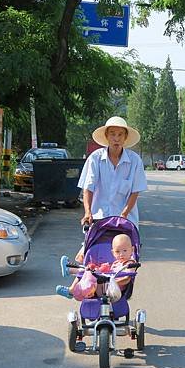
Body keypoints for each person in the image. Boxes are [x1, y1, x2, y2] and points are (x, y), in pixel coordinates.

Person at [74, 116, 147, 263]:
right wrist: (88, 212)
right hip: (99, 219)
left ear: (125, 138)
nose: (116, 138)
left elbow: (135, 191)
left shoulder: (134, 161)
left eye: (120, 135)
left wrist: (124, 214)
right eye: (112, 134)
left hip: (125, 221)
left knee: (125, 262)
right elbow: (88, 187)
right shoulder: (95, 158)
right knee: (90, 258)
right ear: (107, 136)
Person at [56, 233, 136, 299]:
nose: (121, 254)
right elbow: (109, 272)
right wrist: (102, 268)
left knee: (90, 275)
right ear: (113, 253)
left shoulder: (130, 263)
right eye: (117, 251)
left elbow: (126, 279)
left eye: (125, 250)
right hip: (105, 286)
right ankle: (71, 274)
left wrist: (111, 282)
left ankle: (73, 282)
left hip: (115, 290)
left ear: (132, 250)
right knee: (90, 270)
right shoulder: (116, 263)